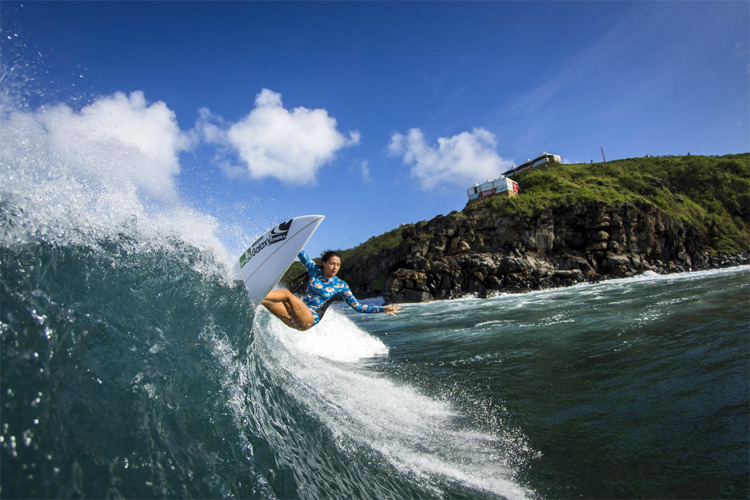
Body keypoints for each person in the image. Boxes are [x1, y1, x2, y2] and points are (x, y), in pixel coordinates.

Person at [262, 250, 401, 331]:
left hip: (308, 320)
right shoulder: (313, 270)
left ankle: (257, 293)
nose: (335, 267)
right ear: (324, 263)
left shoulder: (341, 285)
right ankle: (251, 295)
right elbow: (300, 252)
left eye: (338, 265)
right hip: (293, 318)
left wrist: (383, 309)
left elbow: (358, 307)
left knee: (286, 294)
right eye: (332, 263)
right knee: (262, 301)